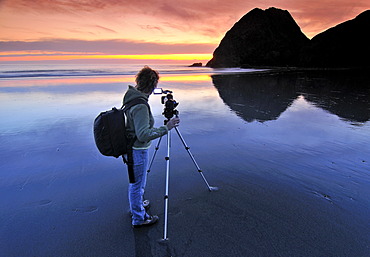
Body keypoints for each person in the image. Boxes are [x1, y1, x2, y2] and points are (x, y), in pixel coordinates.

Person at [123, 66, 180, 228]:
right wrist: (166, 127)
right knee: (137, 184)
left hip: (130, 147)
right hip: (137, 150)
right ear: (153, 85)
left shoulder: (131, 96)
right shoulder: (140, 106)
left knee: (136, 182)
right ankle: (139, 217)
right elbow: (143, 134)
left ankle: (137, 205)